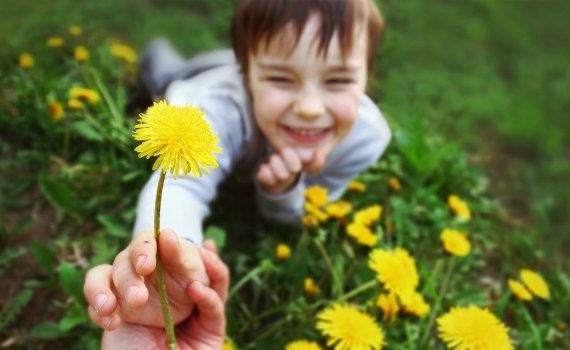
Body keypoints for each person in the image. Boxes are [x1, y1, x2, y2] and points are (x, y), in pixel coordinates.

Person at [84, 0, 390, 347]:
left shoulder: (365, 140)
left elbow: (312, 210)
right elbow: (181, 186)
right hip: (197, 81)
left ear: (367, 74)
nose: (309, 108)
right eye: (280, 78)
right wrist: (175, 262)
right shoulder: (217, 111)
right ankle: (158, 56)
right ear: (248, 77)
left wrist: (283, 193)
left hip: (242, 65)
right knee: (163, 75)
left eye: (338, 80)